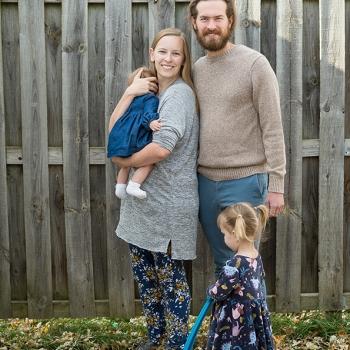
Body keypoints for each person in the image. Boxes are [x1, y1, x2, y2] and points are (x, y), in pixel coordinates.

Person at [109, 28, 199, 350]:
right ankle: (155, 337)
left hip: (169, 206)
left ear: (183, 59)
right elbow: (114, 130)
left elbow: (162, 148)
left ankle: (175, 344)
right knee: (148, 281)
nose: (168, 59)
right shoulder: (148, 91)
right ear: (152, 53)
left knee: (171, 282)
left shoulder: (179, 95)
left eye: (176, 53)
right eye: (163, 52)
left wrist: (123, 159)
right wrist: (129, 92)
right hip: (141, 206)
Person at [188, 0, 286, 274]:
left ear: (230, 21)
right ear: (194, 23)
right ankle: (228, 318)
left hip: (245, 181)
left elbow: (273, 127)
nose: (211, 26)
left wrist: (276, 183)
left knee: (246, 262)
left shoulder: (255, 64)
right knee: (224, 265)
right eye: (204, 19)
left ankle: (254, 319)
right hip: (205, 183)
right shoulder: (196, 69)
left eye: (218, 18)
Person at [207, 202, 274, 350]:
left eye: (224, 234)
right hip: (254, 314)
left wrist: (211, 290)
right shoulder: (256, 257)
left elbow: (220, 291)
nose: (224, 238)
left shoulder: (234, 264)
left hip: (237, 318)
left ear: (234, 234)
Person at [107, 67, 161, 199]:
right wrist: (151, 122)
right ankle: (134, 185)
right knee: (147, 162)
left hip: (123, 135)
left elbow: (117, 119)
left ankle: (120, 187)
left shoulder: (131, 99)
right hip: (136, 135)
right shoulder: (150, 99)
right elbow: (148, 113)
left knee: (125, 164)